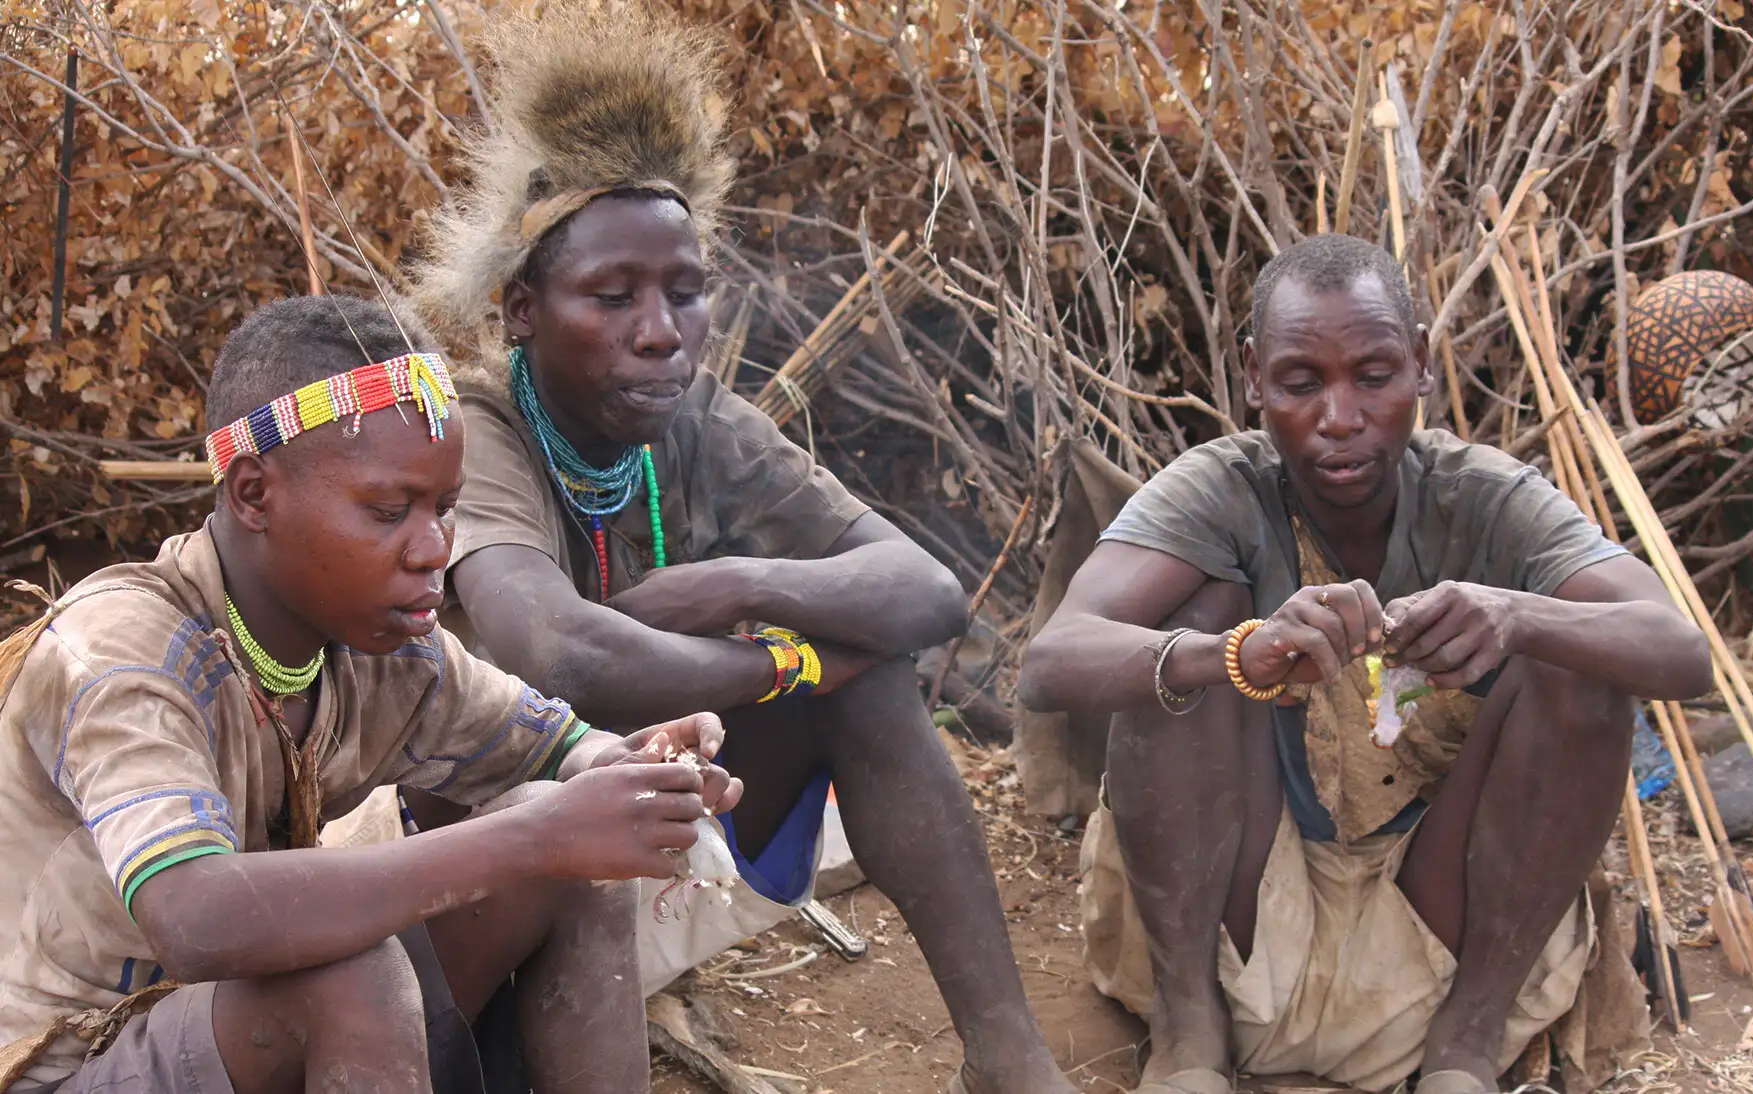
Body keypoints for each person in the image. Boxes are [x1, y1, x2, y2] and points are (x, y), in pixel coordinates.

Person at [405, 9, 1073, 1094]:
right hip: (494, 883)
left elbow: (929, 590)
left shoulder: (700, 422)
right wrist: (787, 658)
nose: (661, 329)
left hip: (651, 824)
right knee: (835, 666)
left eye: (684, 289)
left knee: (877, 689)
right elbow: (558, 653)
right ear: (521, 308)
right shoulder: (480, 434)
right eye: (612, 297)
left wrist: (733, 582)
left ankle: (1011, 1058)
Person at [1020, 234, 1714, 1094]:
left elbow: (1684, 654)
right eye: (1301, 383)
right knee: (1195, 622)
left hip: (1440, 923)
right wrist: (1232, 653)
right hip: (1242, 916)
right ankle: (1188, 1028)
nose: (1339, 417)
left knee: (1579, 662)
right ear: (1253, 378)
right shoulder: (1220, 491)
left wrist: (1517, 615)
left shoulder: (1486, 498)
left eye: (1374, 376)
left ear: (1421, 365)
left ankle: (1467, 1045)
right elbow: (1049, 663)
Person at [0, 296, 744, 1094]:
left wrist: (633, 769)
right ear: (253, 495)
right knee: (352, 973)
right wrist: (539, 835)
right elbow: (194, 918)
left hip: (235, 1034)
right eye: (390, 512)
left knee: (566, 862)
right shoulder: (120, 652)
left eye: (445, 508)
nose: (433, 549)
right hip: (68, 1070)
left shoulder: (382, 648)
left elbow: (558, 749)